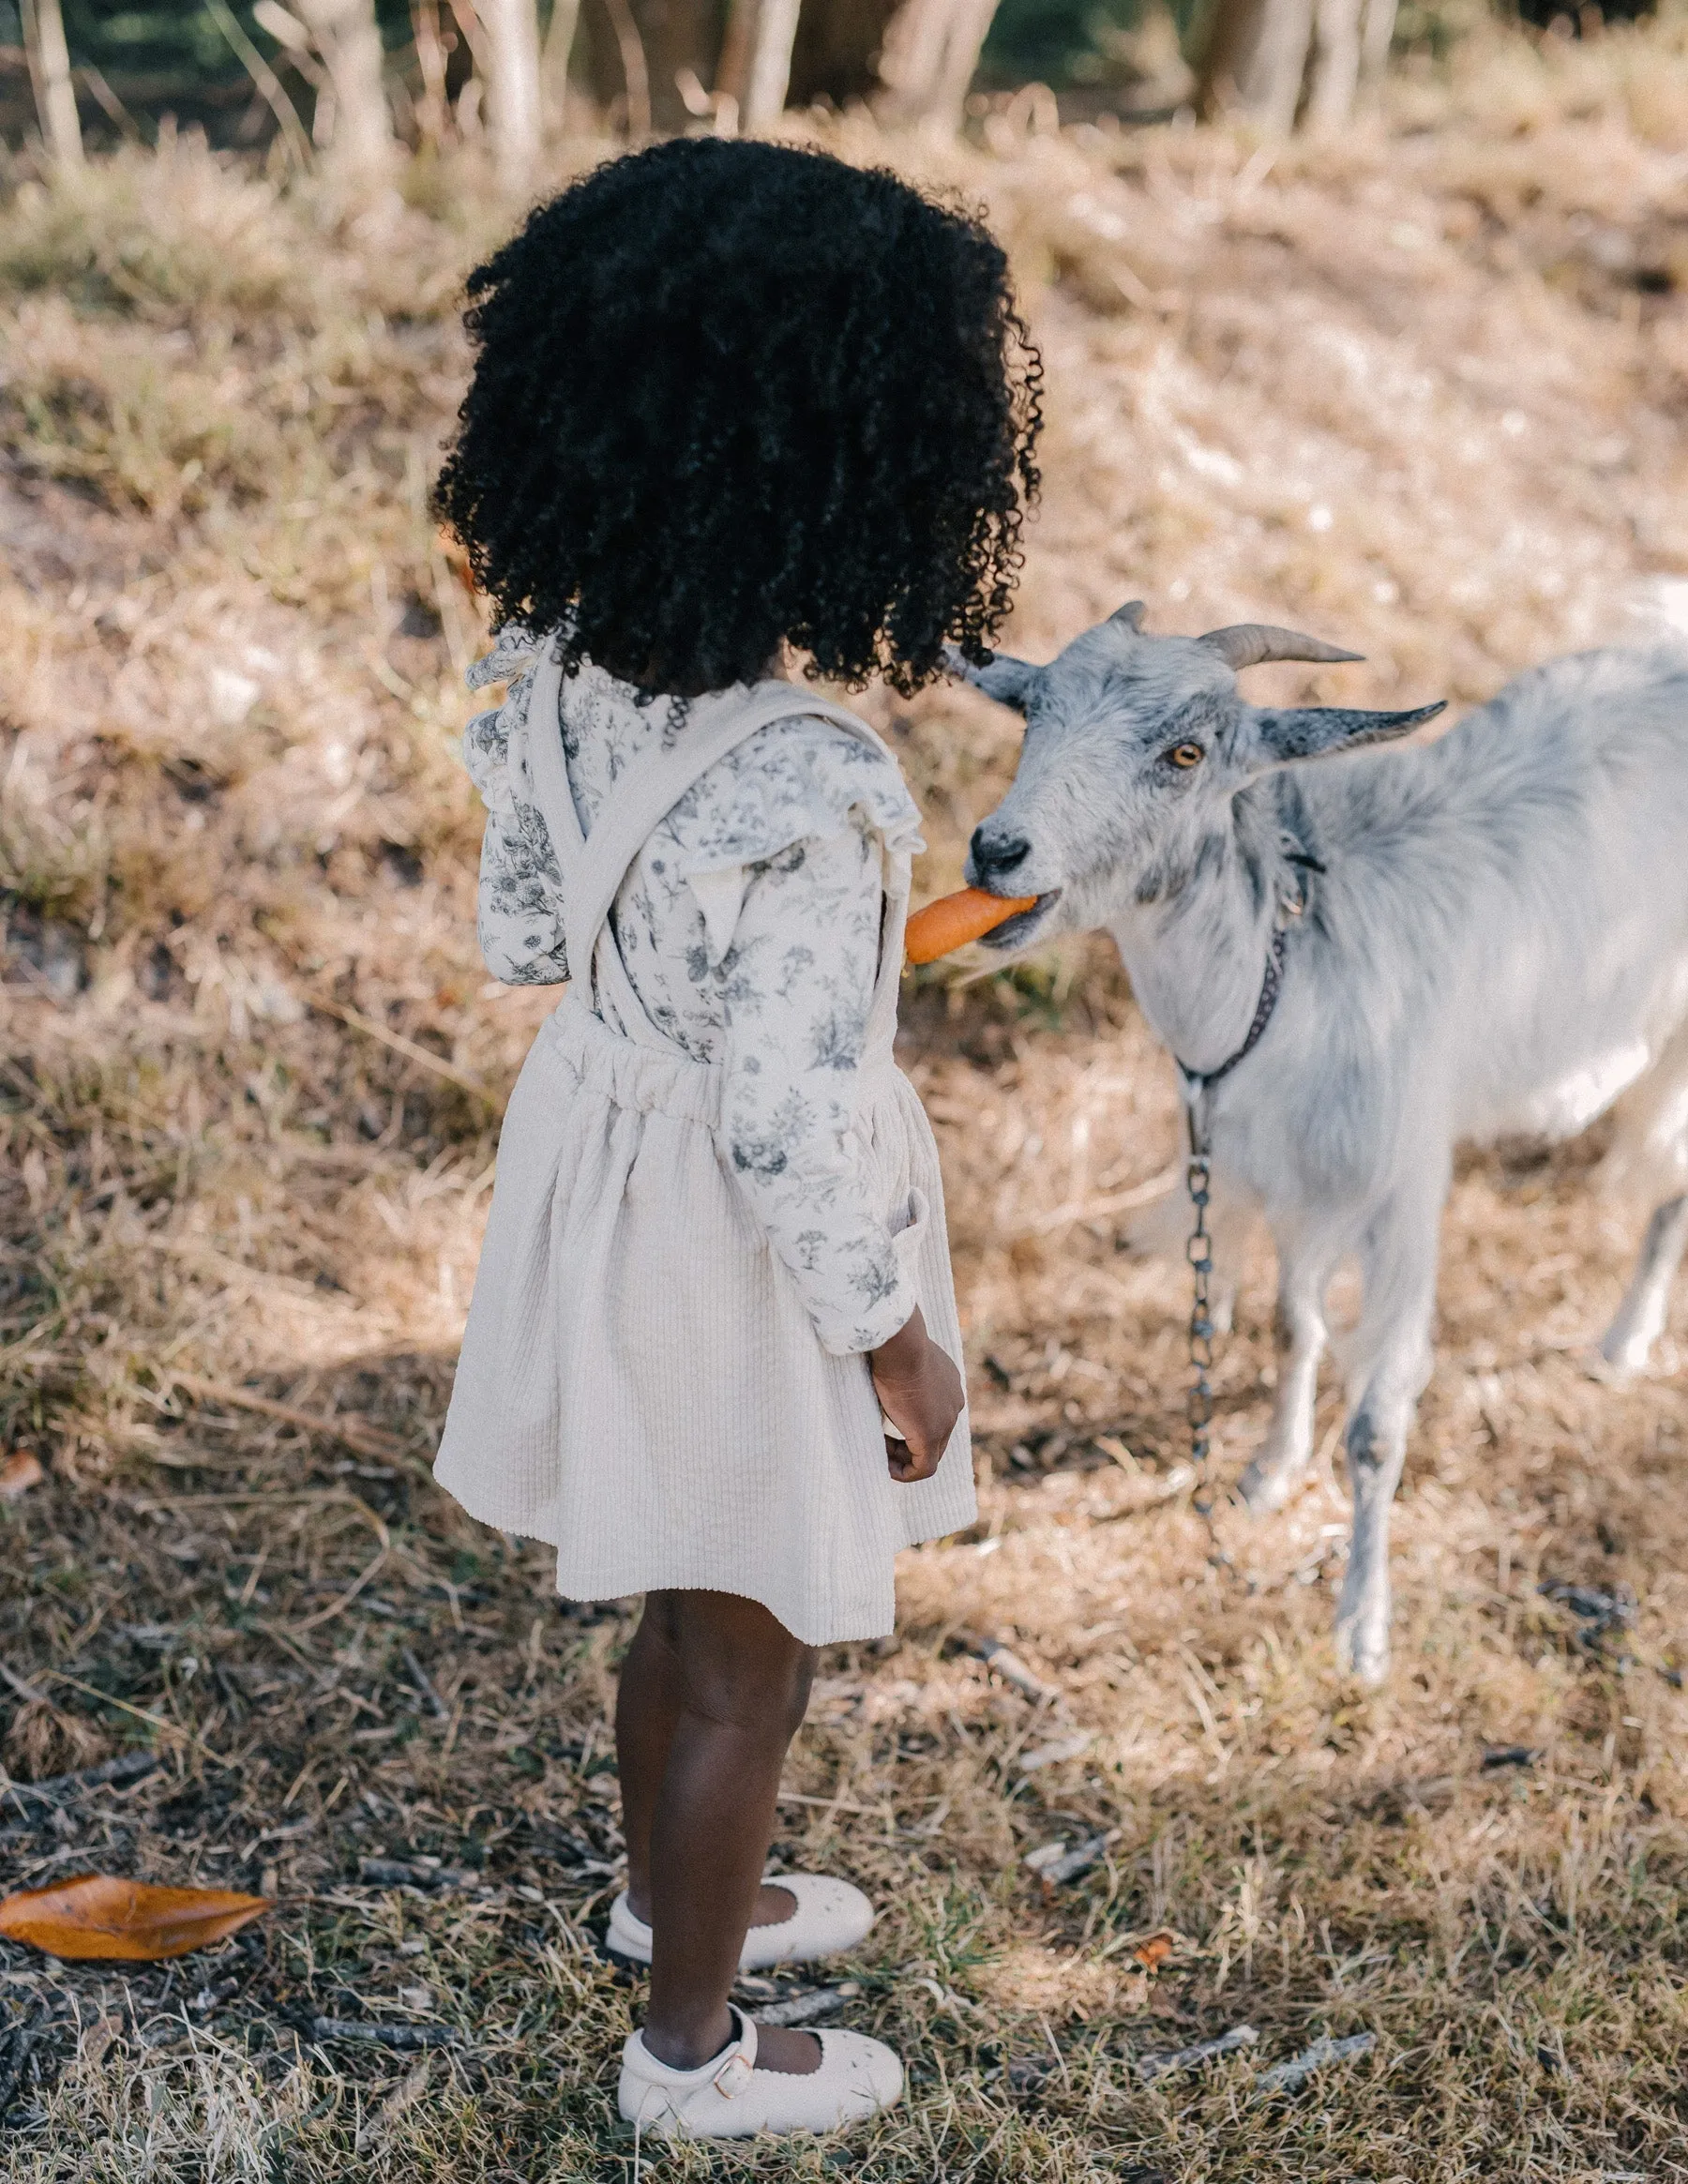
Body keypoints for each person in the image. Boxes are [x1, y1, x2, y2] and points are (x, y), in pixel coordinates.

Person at [430, 136, 1041, 2142]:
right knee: (748, 1665)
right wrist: (893, 1335)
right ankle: (691, 2052)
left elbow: (531, 928)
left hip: (604, 1178)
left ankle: (666, 1901)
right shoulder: (807, 777)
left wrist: (668, 1010)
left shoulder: (551, 666)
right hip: (738, 1241)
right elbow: (787, 1117)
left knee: (681, 1606)